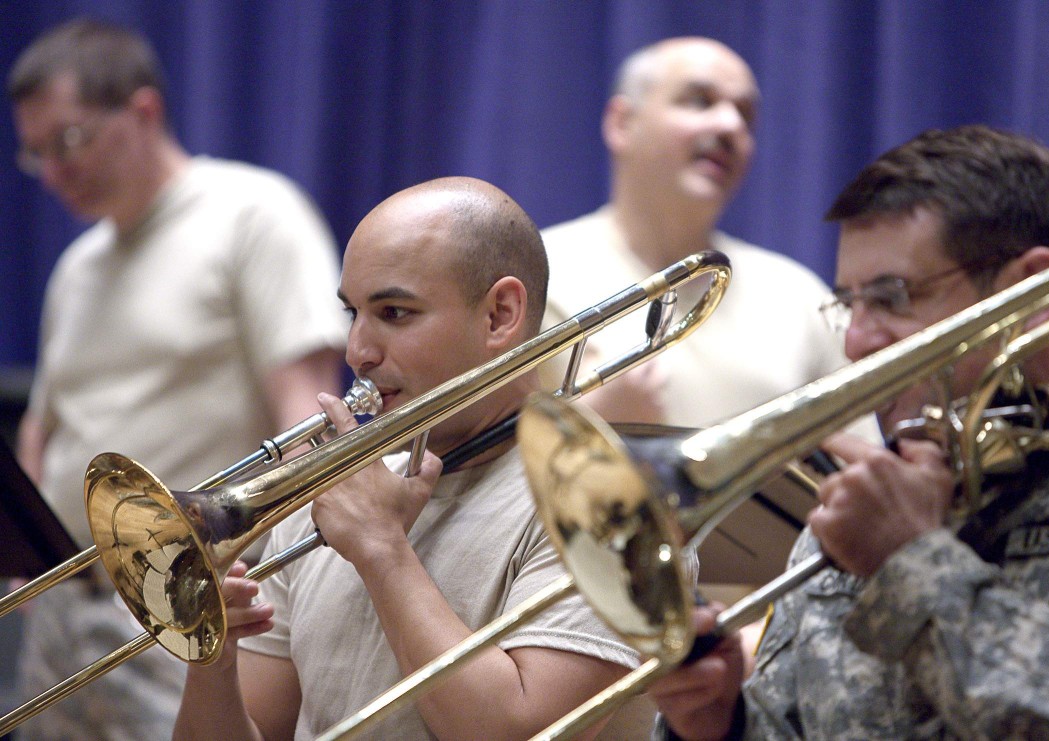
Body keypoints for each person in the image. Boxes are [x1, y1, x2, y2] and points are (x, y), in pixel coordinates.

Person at [649, 125, 1049, 739]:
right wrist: (715, 723)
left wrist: (909, 562)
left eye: (892, 297)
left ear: (1033, 292)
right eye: (848, 305)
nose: (857, 342)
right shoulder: (858, 513)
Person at [173, 176, 654, 741]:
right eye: (353, 312)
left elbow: (521, 731)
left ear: (500, 314)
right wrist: (214, 662)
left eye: (394, 313)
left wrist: (381, 547)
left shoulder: (606, 503)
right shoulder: (334, 497)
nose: (358, 351)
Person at [9, 18, 348, 740]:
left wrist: (248, 592)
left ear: (143, 111)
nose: (56, 171)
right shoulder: (78, 266)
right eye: (37, 153)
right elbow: (44, 426)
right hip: (64, 607)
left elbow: (304, 423)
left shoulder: (253, 214)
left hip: (185, 602)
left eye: (68, 140)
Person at [540, 36, 872, 433]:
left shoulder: (800, 296)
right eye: (699, 101)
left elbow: (859, 469)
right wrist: (590, 428)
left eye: (746, 116)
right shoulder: (535, 273)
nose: (730, 125)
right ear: (621, 123)